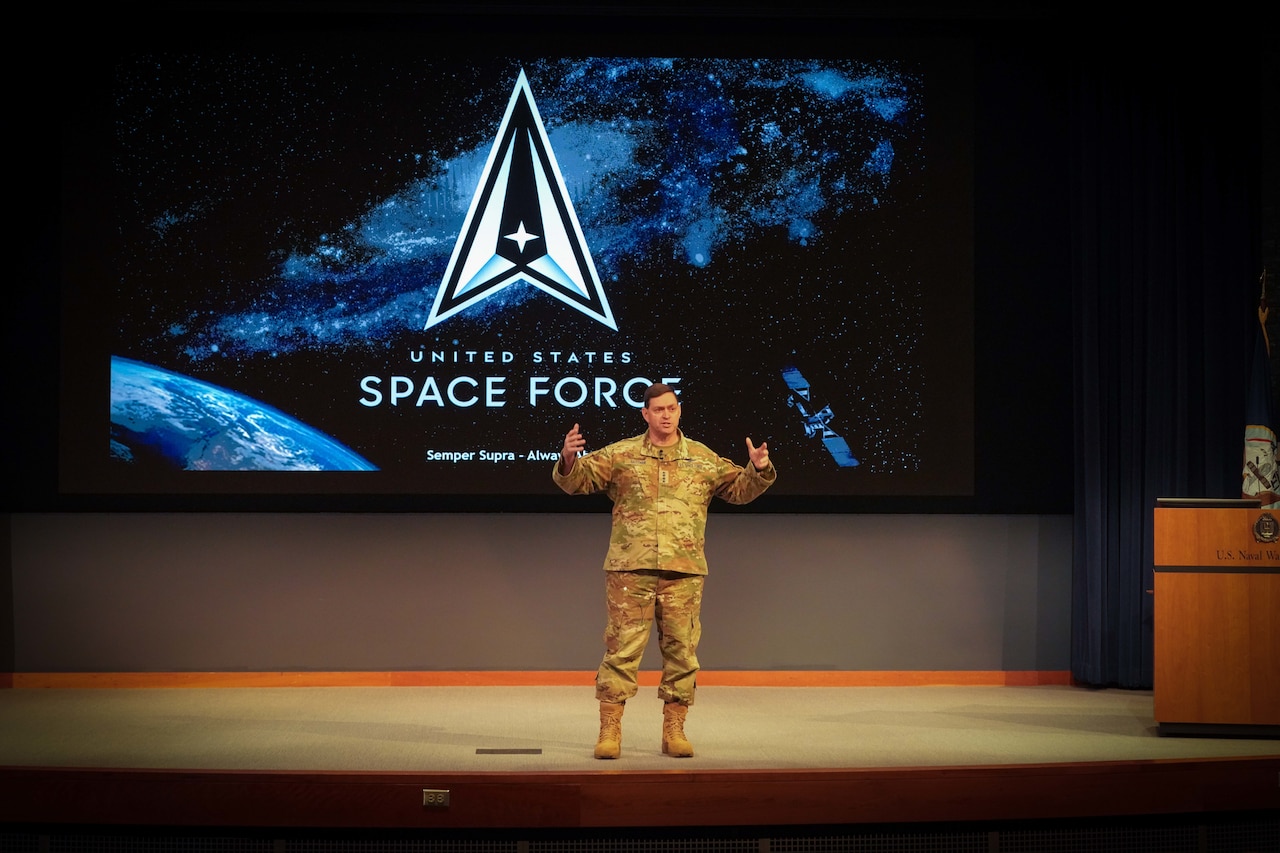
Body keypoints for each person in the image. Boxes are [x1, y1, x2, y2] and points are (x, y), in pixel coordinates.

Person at [553, 382, 776, 759]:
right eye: (659, 410)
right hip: (630, 570)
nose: (666, 415)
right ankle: (610, 730)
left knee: (682, 653)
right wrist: (569, 459)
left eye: (672, 408)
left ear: (679, 410)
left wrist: (760, 468)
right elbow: (577, 482)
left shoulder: (702, 458)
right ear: (646, 414)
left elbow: (739, 490)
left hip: (684, 572)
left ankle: (674, 728)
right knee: (622, 651)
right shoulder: (622, 454)